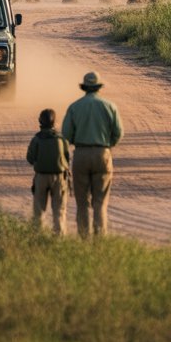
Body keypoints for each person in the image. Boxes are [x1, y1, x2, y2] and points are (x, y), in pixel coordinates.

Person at [61, 71, 123, 237]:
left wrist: (78, 141)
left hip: (81, 154)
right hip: (103, 153)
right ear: (98, 87)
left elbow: (66, 134)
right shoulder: (109, 106)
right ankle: (99, 239)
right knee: (100, 202)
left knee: (82, 203)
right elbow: (118, 132)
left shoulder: (75, 107)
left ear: (84, 87)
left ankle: (84, 238)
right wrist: (108, 145)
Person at [25, 108, 70, 234]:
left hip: (41, 178)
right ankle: (59, 237)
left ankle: (38, 236)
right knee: (59, 211)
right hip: (59, 177)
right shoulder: (61, 139)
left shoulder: (37, 139)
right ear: (55, 122)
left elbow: (30, 158)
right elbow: (67, 158)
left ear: (40, 121)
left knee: (38, 211)